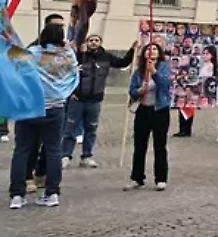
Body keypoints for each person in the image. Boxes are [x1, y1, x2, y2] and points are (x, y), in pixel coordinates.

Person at [7, 20, 78, 209]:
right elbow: (74, 77)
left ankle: (17, 195)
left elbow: (13, 58)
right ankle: (52, 192)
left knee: (22, 150)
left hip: (30, 107)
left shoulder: (34, 53)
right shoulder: (68, 55)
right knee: (54, 150)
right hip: (55, 107)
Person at [62, 35, 134, 168]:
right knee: (70, 128)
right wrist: (70, 92)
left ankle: (87, 156)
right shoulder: (79, 56)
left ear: (100, 42)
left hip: (95, 100)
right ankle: (65, 155)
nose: (93, 43)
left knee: (91, 129)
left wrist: (132, 50)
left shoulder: (106, 57)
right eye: (91, 40)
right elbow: (66, 73)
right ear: (87, 42)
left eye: (96, 40)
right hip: (77, 99)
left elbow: (122, 63)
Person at [124, 43, 173, 191]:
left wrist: (155, 72)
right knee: (139, 146)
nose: (151, 51)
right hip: (143, 110)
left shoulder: (164, 67)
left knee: (160, 145)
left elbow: (166, 85)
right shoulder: (138, 70)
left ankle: (161, 178)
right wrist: (139, 90)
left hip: (159, 110)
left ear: (159, 53)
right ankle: (137, 177)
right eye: (148, 49)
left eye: (154, 49)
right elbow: (131, 91)